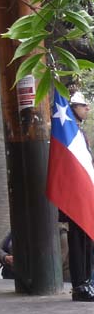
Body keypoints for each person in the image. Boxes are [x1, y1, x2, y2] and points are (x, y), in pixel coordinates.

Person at [62, 91, 94, 301]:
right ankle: (80, 286)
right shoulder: (69, 132)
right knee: (78, 240)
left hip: (84, 193)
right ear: (73, 108)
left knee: (86, 240)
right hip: (76, 195)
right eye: (83, 105)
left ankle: (86, 282)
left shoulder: (78, 132)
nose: (87, 109)